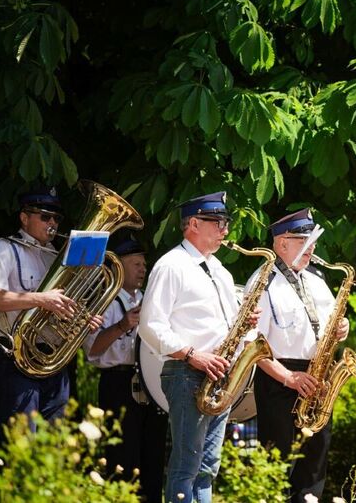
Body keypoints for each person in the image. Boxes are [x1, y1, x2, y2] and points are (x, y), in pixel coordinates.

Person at [139, 191, 247, 503]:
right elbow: (150, 325)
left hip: (219, 375)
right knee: (187, 463)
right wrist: (192, 354)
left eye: (226, 223)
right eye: (219, 223)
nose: (226, 230)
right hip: (188, 372)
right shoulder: (171, 265)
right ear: (194, 224)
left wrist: (245, 322)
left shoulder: (220, 270)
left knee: (208, 467)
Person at [246, 208, 349, 503]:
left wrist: (343, 327)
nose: (312, 248)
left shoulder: (316, 279)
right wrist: (288, 377)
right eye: (304, 241)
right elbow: (253, 344)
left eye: (313, 241)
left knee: (315, 460)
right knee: (277, 460)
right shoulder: (263, 280)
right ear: (282, 243)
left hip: (317, 375)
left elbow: (332, 323)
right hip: (280, 377)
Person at [0, 185, 101, 446]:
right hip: (14, 358)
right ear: (24, 218)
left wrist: (81, 319)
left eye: (56, 218)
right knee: (21, 441)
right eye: (45, 217)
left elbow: (62, 306)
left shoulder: (56, 256)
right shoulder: (5, 248)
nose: (52, 223)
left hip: (52, 360)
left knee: (54, 440)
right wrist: (40, 299)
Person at [82, 234, 167, 502]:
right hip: (118, 383)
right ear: (118, 267)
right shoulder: (102, 302)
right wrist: (122, 325)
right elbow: (92, 351)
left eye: (144, 265)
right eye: (136, 264)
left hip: (150, 384)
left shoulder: (149, 300)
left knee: (153, 457)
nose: (143, 269)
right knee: (122, 458)